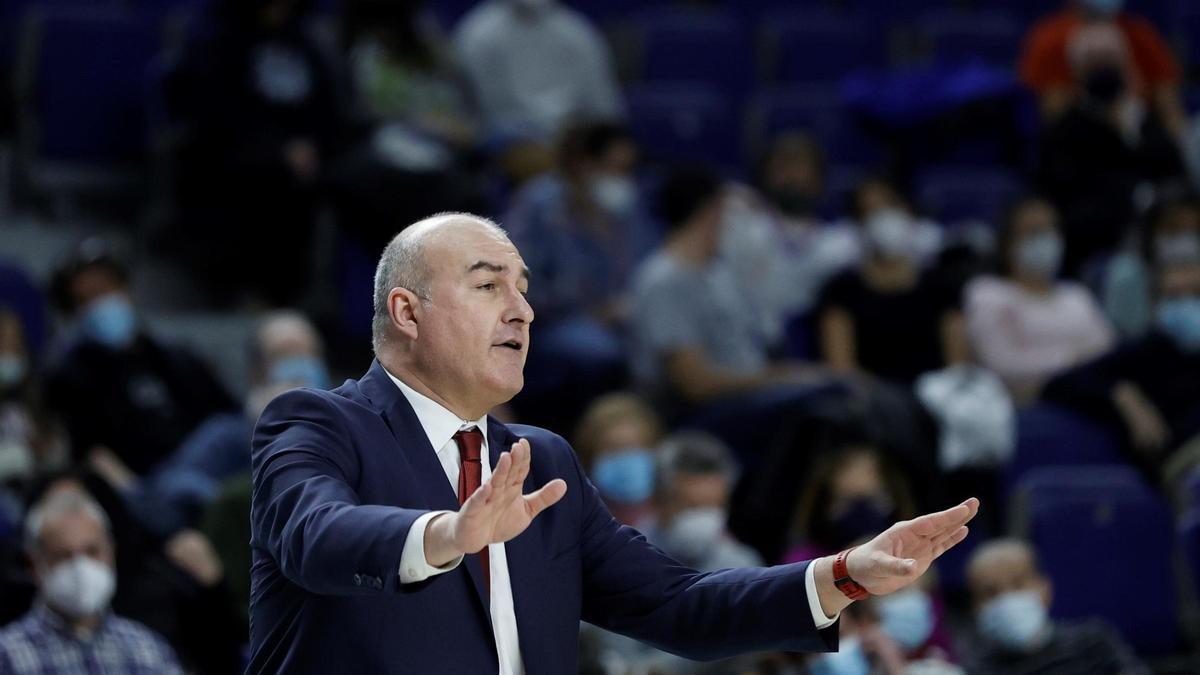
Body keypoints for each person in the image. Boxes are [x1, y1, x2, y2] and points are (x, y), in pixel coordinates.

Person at [247, 212, 979, 673]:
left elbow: (679, 605)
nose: (523, 309)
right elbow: (318, 536)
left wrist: (845, 573)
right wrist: (446, 532)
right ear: (406, 311)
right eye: (487, 286)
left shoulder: (542, 461)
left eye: (524, 287)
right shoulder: (314, 422)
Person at [44, 239, 239, 477]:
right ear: (74, 313)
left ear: (126, 291)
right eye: (85, 299)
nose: (100, 305)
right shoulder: (71, 377)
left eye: (104, 290)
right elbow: (90, 453)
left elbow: (229, 413)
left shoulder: (175, 357)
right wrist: (138, 498)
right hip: (149, 484)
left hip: (209, 467)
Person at [1043, 260, 1200, 480]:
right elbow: (1057, 385)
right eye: (1175, 296)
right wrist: (1121, 393)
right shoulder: (1146, 352)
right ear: (1156, 304)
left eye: (1196, 294)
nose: (1188, 304)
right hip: (1184, 465)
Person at [0, 491, 182, 674]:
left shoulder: (148, 650)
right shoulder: (8, 656)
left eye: (92, 552)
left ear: (111, 552)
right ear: (35, 565)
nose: (80, 567)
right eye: (63, 556)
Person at [816, 179, 967, 386]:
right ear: (859, 225)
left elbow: (957, 366)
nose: (883, 217)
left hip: (934, 397)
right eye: (870, 211)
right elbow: (841, 369)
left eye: (890, 206)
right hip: (871, 400)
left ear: (909, 213)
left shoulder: (941, 286)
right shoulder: (842, 289)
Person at [965, 197, 1114, 405]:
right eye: (1033, 231)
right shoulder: (989, 293)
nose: (1045, 239)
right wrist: (1071, 359)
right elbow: (1002, 364)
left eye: (1051, 229)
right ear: (1008, 243)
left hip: (1087, 394)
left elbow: (1105, 352)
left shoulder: (1077, 296)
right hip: (1024, 401)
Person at [963, 538, 1147, 675]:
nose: (1007, 598)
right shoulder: (976, 667)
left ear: (1045, 588)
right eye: (990, 592)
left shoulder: (1093, 641)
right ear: (976, 607)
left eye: (1018, 584)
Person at [452, 0, 622, 143]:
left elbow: (602, 102)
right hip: (514, 137)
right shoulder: (478, 35)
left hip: (577, 134)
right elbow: (493, 110)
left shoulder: (576, 31)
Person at [1019, 0, 1184, 136]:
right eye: (1093, 60)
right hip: (1080, 142)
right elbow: (1053, 114)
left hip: (1138, 140)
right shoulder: (1050, 38)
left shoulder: (1140, 34)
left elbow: (1170, 109)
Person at [571, 392, 663, 528]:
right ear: (590, 456)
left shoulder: (673, 517)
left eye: (634, 448)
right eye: (614, 449)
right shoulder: (576, 519)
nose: (626, 459)